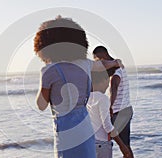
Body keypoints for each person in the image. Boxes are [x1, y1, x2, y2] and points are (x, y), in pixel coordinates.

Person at [34, 16, 123, 158]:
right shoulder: (85, 64)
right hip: (86, 128)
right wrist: (115, 63)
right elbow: (102, 65)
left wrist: (44, 84)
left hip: (65, 133)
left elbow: (41, 105)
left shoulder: (49, 71)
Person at [93, 46, 134, 157]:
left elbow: (114, 88)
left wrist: (109, 106)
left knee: (103, 138)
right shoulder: (119, 66)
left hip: (118, 112)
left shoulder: (116, 72)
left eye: (98, 60)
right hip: (126, 109)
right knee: (125, 144)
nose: (99, 64)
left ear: (103, 56)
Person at [87, 71, 133, 158]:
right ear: (102, 81)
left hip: (91, 142)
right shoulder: (102, 98)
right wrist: (122, 146)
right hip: (102, 144)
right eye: (107, 82)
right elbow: (107, 126)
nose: (108, 86)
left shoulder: (87, 97)